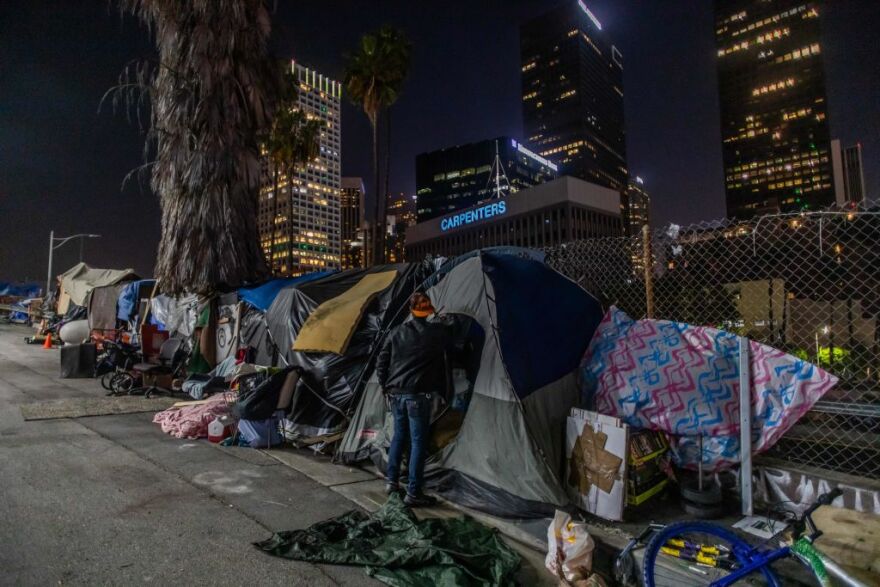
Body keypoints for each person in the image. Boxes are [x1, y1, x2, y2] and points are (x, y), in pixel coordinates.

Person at [376, 291, 455, 507]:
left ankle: (391, 482)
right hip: (418, 397)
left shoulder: (395, 332)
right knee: (418, 442)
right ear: (428, 311)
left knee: (399, 437)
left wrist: (385, 386)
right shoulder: (436, 333)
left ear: (410, 311)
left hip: (395, 394)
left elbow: (381, 363)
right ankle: (413, 492)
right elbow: (454, 339)